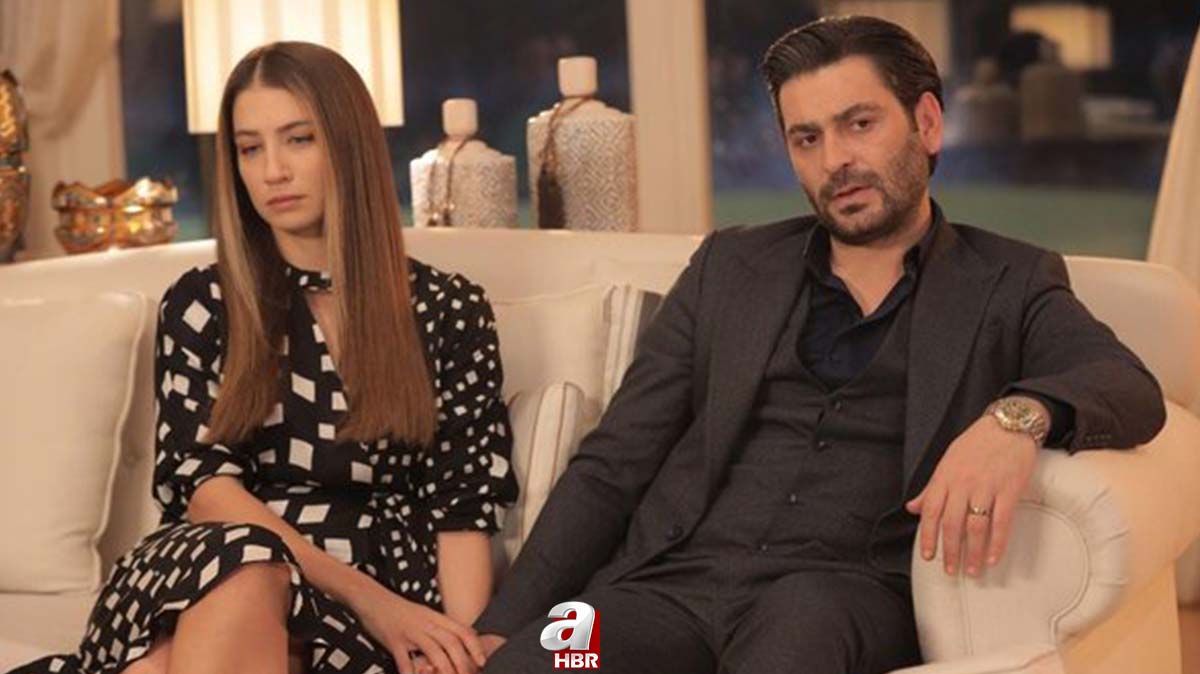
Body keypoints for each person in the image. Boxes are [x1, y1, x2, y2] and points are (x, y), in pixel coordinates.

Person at [475, 16, 1164, 674]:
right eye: (807, 138)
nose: (836, 160)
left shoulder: (1007, 280)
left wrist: (1014, 421)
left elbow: (1124, 382)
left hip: (837, 598)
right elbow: (614, 462)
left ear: (927, 123)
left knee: (794, 640)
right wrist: (501, 626)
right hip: (666, 592)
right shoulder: (729, 267)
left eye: (860, 124)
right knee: (539, 662)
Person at [11, 42, 516, 674]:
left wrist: (459, 643)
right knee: (246, 568)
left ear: (350, 145)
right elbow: (204, 490)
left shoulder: (449, 310)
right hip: (215, 563)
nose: (272, 170)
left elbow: (462, 508)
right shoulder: (204, 303)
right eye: (250, 149)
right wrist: (372, 601)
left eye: (298, 140)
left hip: (373, 585)